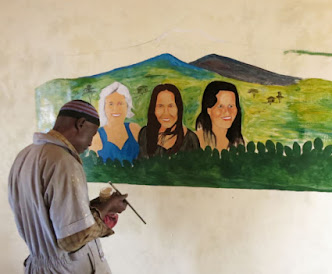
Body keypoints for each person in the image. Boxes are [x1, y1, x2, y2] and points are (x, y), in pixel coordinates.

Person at [8, 100, 128, 273]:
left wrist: (97, 206)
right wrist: (108, 207)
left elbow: (50, 214)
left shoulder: (25, 155)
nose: (90, 143)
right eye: (92, 134)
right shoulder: (63, 162)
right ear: (80, 124)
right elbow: (72, 239)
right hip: (67, 268)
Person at [138, 83, 200, 158]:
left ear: (178, 108)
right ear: (153, 109)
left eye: (170, 106)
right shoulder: (144, 134)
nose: (166, 112)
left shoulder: (190, 139)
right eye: (160, 106)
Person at [90, 82, 141, 164]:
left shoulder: (135, 129)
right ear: (104, 108)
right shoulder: (97, 136)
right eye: (110, 104)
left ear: (127, 106)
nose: (116, 109)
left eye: (120, 103)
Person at [195, 81, 245, 151]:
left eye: (231, 106)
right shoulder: (194, 141)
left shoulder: (237, 144)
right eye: (220, 106)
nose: (227, 112)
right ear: (208, 110)